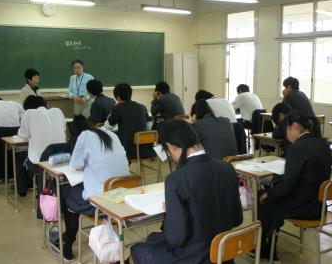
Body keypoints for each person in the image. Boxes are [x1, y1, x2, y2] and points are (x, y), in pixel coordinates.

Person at [129, 120, 243, 264]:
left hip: (194, 257)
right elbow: (237, 218)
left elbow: (175, 238)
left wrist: (170, 212)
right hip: (223, 253)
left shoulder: (176, 179)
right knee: (153, 238)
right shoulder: (227, 168)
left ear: (172, 147)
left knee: (137, 251)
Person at [258, 111, 331, 259]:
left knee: (265, 199)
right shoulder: (324, 144)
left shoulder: (297, 148)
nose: (286, 134)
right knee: (274, 195)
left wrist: (269, 194)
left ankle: (267, 250)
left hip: (303, 208)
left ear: (295, 127)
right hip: (319, 206)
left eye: (286, 129)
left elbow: (288, 186)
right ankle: (267, 246)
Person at [61, 115, 130, 260]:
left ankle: (68, 241)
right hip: (123, 198)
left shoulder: (84, 136)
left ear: (75, 132)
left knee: (68, 194)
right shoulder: (110, 133)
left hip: (102, 203)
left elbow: (75, 165)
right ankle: (67, 237)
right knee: (78, 192)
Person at [16, 95, 66, 196]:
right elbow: (64, 130)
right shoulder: (58, 111)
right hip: (61, 160)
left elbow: (22, 136)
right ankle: (46, 187)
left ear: (27, 108)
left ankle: (22, 190)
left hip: (39, 164)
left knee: (20, 157)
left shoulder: (29, 114)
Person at [106, 83, 154, 160]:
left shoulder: (118, 108)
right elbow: (149, 125)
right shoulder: (142, 107)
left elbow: (108, 126)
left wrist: (112, 111)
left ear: (117, 97)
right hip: (146, 149)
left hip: (128, 150)